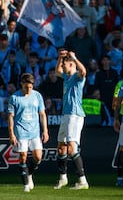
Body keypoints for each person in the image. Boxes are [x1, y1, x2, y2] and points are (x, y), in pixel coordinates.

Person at [54, 49, 89, 190]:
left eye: (65, 64)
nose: (62, 67)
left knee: (71, 148)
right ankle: (63, 178)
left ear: (71, 65)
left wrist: (74, 58)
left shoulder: (77, 77)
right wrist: (59, 58)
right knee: (61, 148)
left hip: (75, 115)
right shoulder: (67, 77)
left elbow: (84, 71)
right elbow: (57, 72)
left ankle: (82, 180)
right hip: (66, 114)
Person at [8, 73, 49, 192]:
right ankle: (25, 184)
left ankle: (29, 174)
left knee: (38, 157)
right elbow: (11, 116)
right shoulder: (14, 97)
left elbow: (42, 114)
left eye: (31, 87)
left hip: (35, 132)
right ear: (22, 84)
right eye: (26, 87)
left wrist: (45, 130)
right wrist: (11, 133)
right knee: (23, 156)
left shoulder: (37, 96)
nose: (29, 89)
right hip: (21, 132)